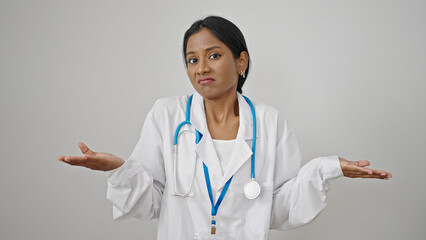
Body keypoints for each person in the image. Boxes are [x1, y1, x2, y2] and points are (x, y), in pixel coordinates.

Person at [58, 16, 392, 240]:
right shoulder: (167, 115)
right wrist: (120, 170)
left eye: (214, 55)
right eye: (192, 59)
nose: (201, 67)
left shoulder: (269, 122)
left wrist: (325, 169)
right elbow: (151, 203)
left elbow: (279, 208)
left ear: (241, 61)